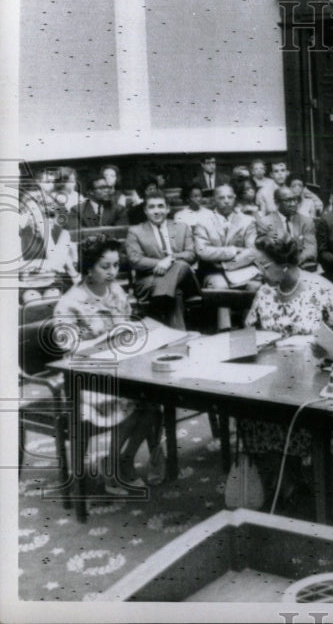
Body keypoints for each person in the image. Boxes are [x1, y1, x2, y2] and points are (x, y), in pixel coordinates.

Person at [242, 236, 333, 503]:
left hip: (313, 377)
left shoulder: (319, 288)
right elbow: (250, 330)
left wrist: (331, 349)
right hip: (273, 376)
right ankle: (286, 483)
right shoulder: (265, 291)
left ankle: (296, 482)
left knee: (296, 417)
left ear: (285, 265)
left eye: (264, 265)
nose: (260, 271)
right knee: (250, 413)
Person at [53, 236, 165, 493]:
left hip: (121, 368)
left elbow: (126, 325)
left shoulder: (115, 291)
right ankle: (116, 465)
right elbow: (69, 351)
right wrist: (106, 340)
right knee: (131, 400)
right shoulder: (70, 303)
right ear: (89, 267)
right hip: (85, 377)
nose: (112, 272)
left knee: (155, 399)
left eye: (116, 266)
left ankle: (119, 461)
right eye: (105, 266)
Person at [125, 189, 201, 330]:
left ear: (167, 209)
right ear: (145, 211)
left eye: (160, 206)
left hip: (185, 281)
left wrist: (170, 259)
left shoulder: (181, 228)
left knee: (181, 265)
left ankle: (158, 305)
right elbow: (135, 259)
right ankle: (179, 338)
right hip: (149, 282)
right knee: (176, 294)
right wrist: (159, 263)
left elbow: (191, 254)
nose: (156, 211)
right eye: (151, 207)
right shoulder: (135, 231)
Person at [194, 184, 261, 330]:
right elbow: (202, 251)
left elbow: (253, 250)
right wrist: (232, 250)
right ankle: (225, 330)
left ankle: (248, 328)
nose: (226, 201)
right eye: (221, 197)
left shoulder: (247, 221)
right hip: (214, 272)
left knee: (254, 286)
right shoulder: (203, 222)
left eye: (230, 197)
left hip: (243, 270)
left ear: (235, 198)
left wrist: (226, 265)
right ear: (214, 200)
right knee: (220, 287)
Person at [256, 185, 318, 271]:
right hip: (276, 268)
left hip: (301, 266)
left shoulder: (307, 222)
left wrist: (294, 263)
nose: (293, 204)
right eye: (288, 200)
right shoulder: (265, 222)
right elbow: (263, 253)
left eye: (295, 199)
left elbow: (311, 249)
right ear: (277, 203)